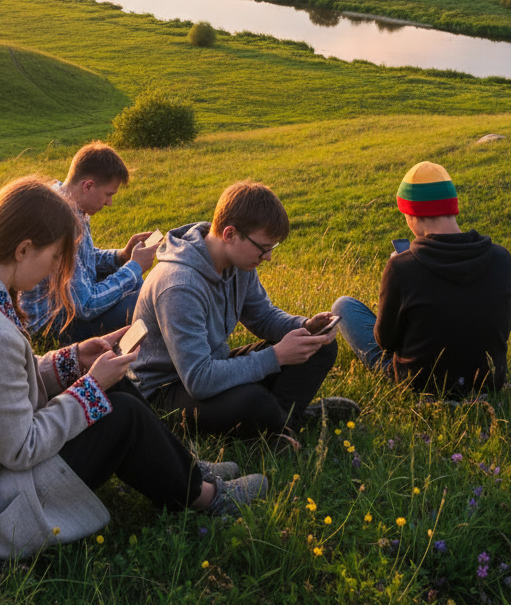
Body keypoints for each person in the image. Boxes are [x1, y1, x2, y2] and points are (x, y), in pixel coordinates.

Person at [0, 176, 268, 562]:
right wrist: (90, 389)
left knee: (114, 389)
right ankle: (206, 497)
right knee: (120, 413)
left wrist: (73, 360)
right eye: (53, 258)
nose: (54, 271)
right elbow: (21, 448)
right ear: (23, 249)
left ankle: (185, 469)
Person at [129, 181, 357, 440]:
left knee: (318, 346)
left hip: (211, 365)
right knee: (251, 400)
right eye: (263, 248)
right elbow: (199, 380)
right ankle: (283, 423)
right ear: (230, 234)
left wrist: (304, 327)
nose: (268, 256)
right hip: (165, 390)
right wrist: (277, 356)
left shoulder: (239, 262)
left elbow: (262, 316)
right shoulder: (179, 284)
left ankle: (281, 426)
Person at [333, 161, 511, 396]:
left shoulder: (401, 267)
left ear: (412, 214)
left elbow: (385, 342)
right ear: (453, 207)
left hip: (420, 384)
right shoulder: (502, 258)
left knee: (343, 306)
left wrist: (396, 273)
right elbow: (504, 328)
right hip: (486, 382)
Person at [20, 142, 156, 343]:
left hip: (67, 305)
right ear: (88, 186)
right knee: (144, 300)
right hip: (53, 326)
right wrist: (135, 267)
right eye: (108, 194)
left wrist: (122, 256)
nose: (109, 203)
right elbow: (86, 305)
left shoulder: (66, 202)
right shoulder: (61, 222)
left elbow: (84, 258)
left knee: (137, 286)